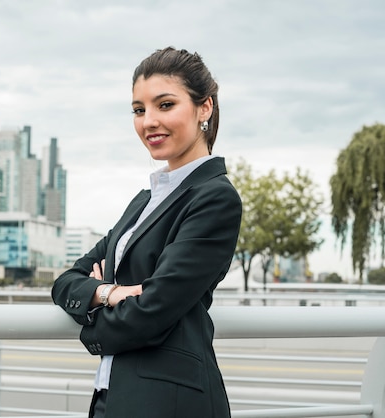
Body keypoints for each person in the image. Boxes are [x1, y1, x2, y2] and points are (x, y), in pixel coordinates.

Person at [51, 47, 242, 418]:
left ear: (205, 108)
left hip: (168, 403)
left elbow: (152, 310)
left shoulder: (215, 198)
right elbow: (65, 281)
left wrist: (90, 325)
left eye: (165, 105)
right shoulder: (144, 202)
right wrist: (111, 293)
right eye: (139, 110)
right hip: (112, 395)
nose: (148, 121)